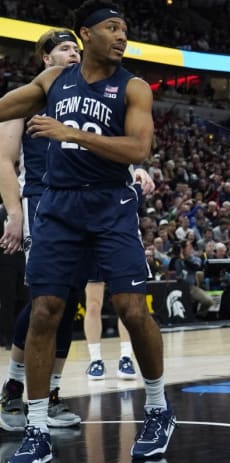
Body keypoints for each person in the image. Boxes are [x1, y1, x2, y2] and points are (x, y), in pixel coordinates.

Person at [0, 2, 175, 461]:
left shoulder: (133, 87)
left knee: (132, 309)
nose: (121, 36)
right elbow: (6, 107)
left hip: (109, 203)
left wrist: (71, 134)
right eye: (112, 28)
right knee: (44, 311)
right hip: (57, 205)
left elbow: (138, 148)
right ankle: (35, 428)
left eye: (125, 29)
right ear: (86, 35)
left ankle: (158, 407)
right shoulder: (55, 81)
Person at [0, 28, 84, 433]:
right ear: (45, 59)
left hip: (85, 206)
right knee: (45, 299)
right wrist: (14, 212)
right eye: (65, 48)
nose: (74, 54)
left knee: (71, 299)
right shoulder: (28, 96)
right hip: (41, 200)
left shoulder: (90, 98)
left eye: (77, 49)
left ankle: (50, 393)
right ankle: (13, 391)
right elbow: (3, 158)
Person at [83, 280, 138, 380]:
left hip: (120, 263)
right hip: (93, 264)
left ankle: (126, 357)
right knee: (93, 306)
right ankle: (95, 360)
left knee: (124, 304)